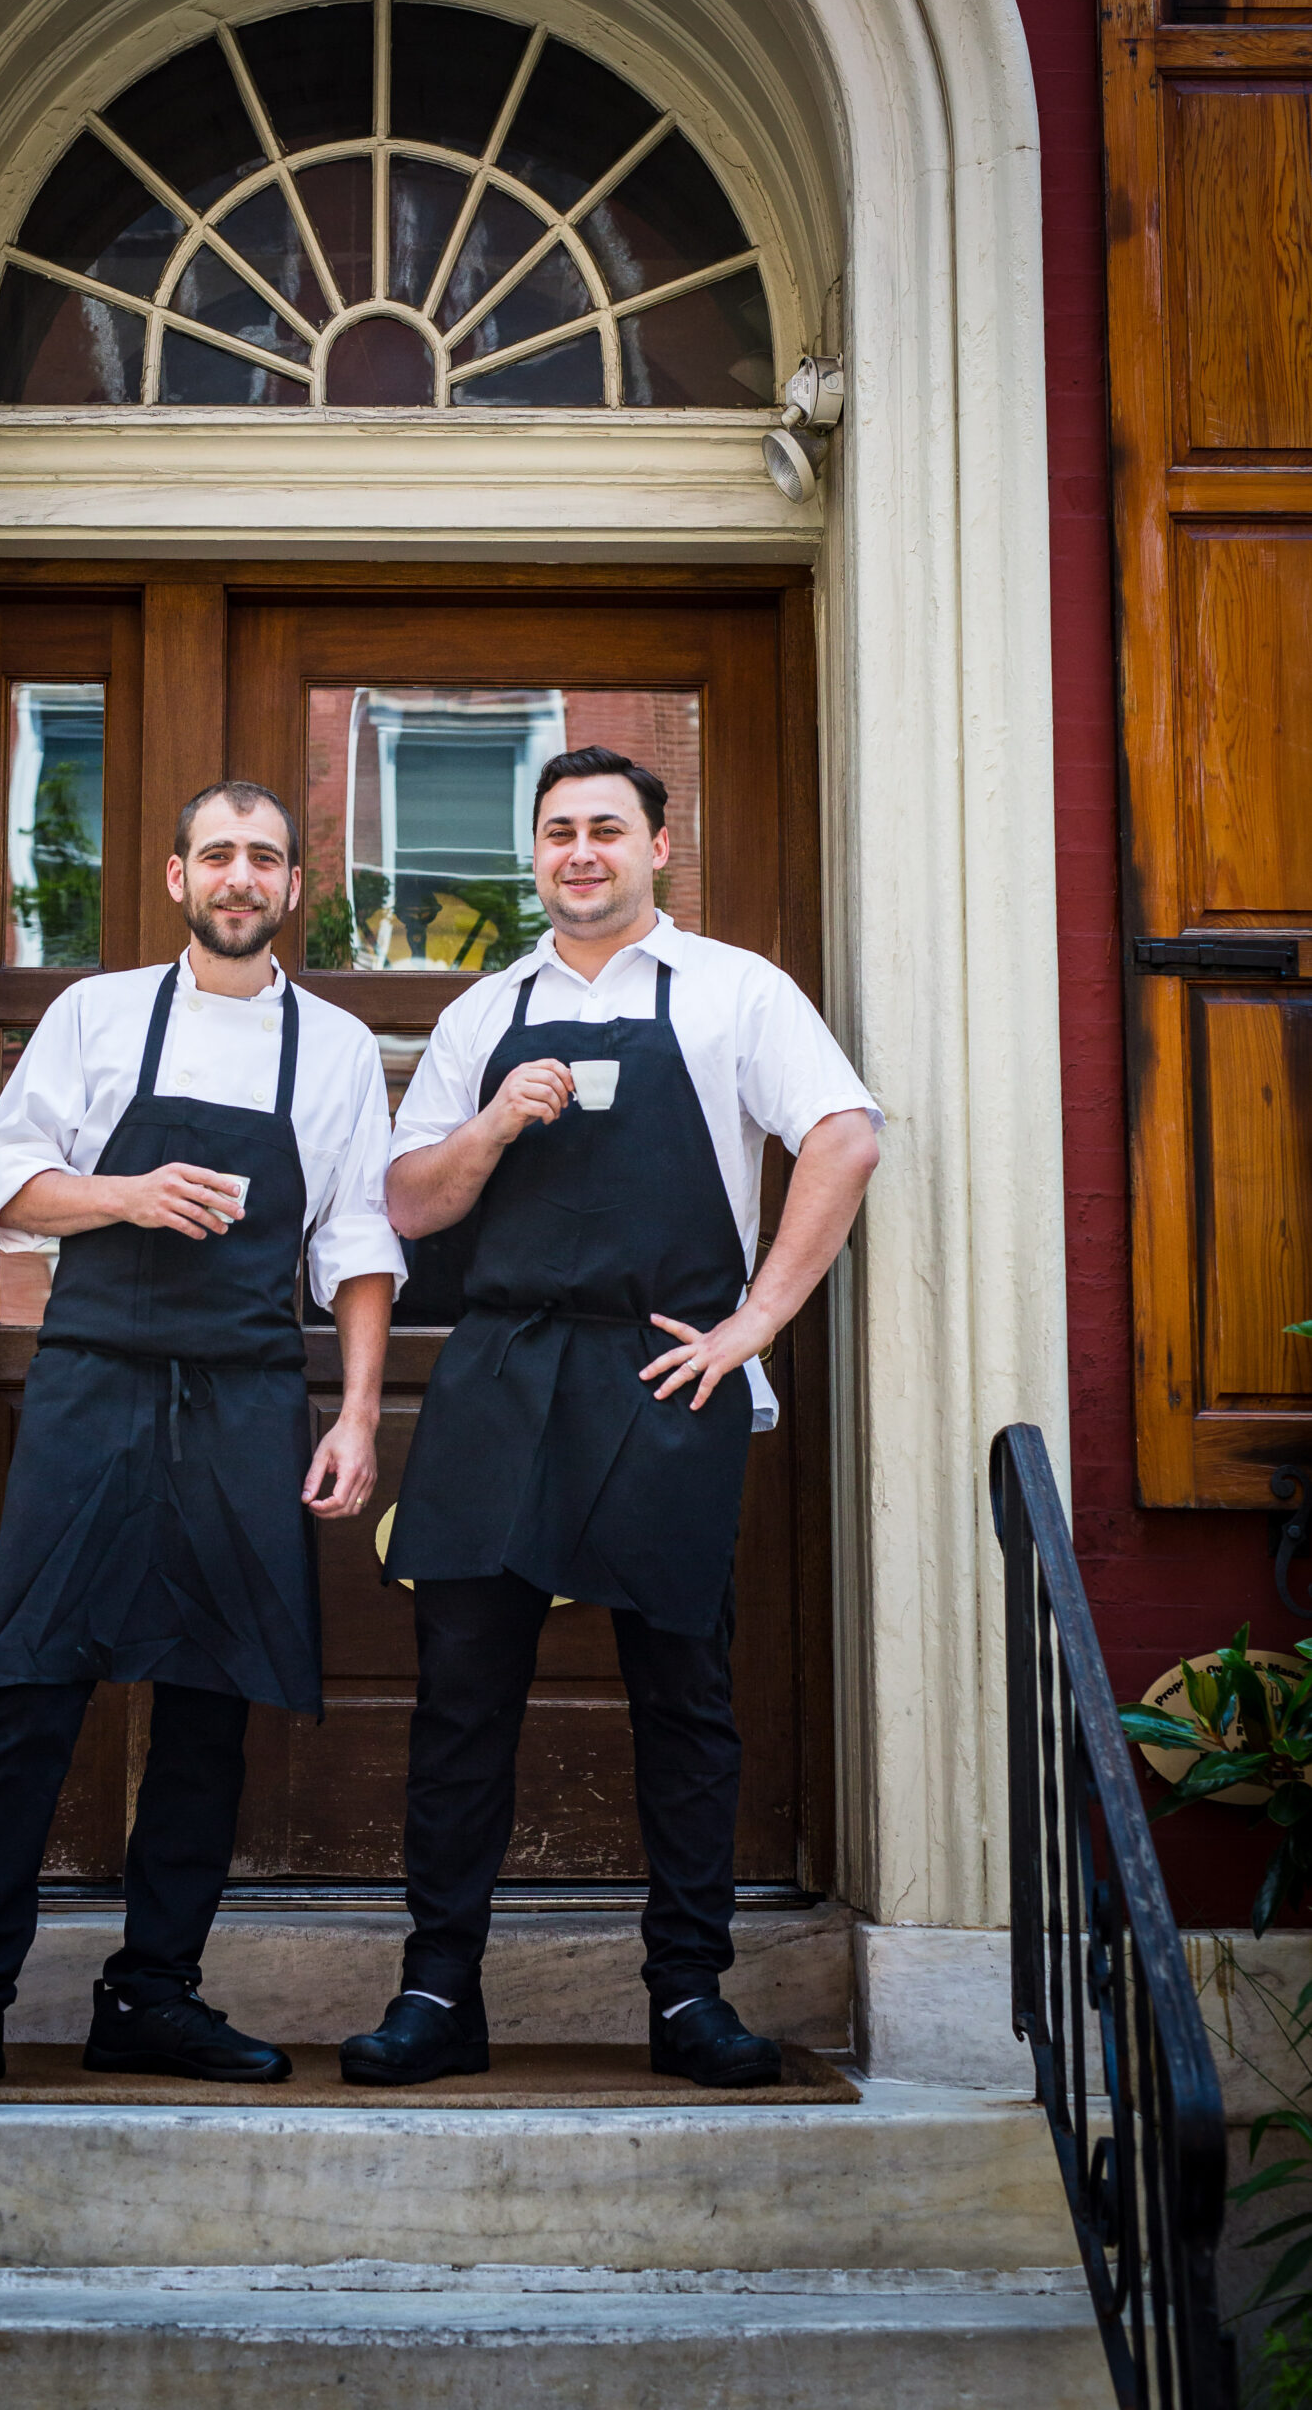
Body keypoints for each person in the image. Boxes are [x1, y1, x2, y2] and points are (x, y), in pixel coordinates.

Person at [339, 746, 879, 2090]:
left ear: (656, 848)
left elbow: (845, 1133)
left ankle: (689, 1997)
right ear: (537, 857)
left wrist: (757, 1323)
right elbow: (407, 1205)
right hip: (501, 1371)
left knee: (683, 1698)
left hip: (663, 1373)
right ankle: (436, 1989)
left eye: (606, 830)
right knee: (461, 1698)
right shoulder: (486, 1011)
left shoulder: (735, 992)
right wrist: (493, 1130)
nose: (580, 852)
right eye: (558, 832)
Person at [0, 782, 403, 2107]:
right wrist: (129, 1194)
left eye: (264, 859)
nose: (239, 876)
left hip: (241, 1395)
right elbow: (11, 1182)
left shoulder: (333, 1047)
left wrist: (350, 1415)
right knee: (28, 1689)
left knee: (212, 1707)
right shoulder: (96, 1015)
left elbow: (356, 1247)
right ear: (175, 875)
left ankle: (151, 1995)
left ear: (292, 889)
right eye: (216, 852)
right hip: (93, 1384)